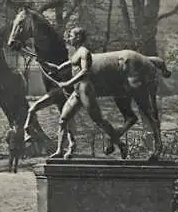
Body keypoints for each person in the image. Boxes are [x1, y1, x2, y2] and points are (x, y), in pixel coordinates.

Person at [41, 27, 127, 159]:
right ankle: (59, 151)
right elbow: (58, 69)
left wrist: (68, 83)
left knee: (99, 120)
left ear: (79, 37)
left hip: (85, 90)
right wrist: (42, 62)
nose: (69, 38)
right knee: (63, 119)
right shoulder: (75, 54)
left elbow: (84, 72)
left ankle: (120, 144)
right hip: (77, 91)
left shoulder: (84, 52)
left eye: (71, 36)